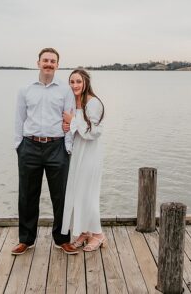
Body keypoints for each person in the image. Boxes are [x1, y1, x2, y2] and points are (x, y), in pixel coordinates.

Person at [11, 48, 78, 255]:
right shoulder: (25, 89)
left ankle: (62, 239)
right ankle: (26, 240)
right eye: (45, 60)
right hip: (29, 146)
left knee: (61, 196)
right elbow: (19, 119)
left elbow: (69, 119)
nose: (49, 64)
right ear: (38, 63)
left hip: (57, 147)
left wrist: (68, 147)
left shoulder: (65, 91)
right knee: (28, 195)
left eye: (53, 61)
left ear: (57, 65)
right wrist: (19, 145)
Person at [59, 68, 107, 253]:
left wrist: (72, 122)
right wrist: (68, 125)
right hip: (77, 153)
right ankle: (84, 231)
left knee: (89, 193)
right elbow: (73, 127)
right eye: (72, 82)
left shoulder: (93, 103)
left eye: (78, 81)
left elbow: (94, 132)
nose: (75, 85)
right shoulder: (73, 102)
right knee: (78, 192)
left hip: (90, 153)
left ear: (86, 82)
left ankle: (98, 234)